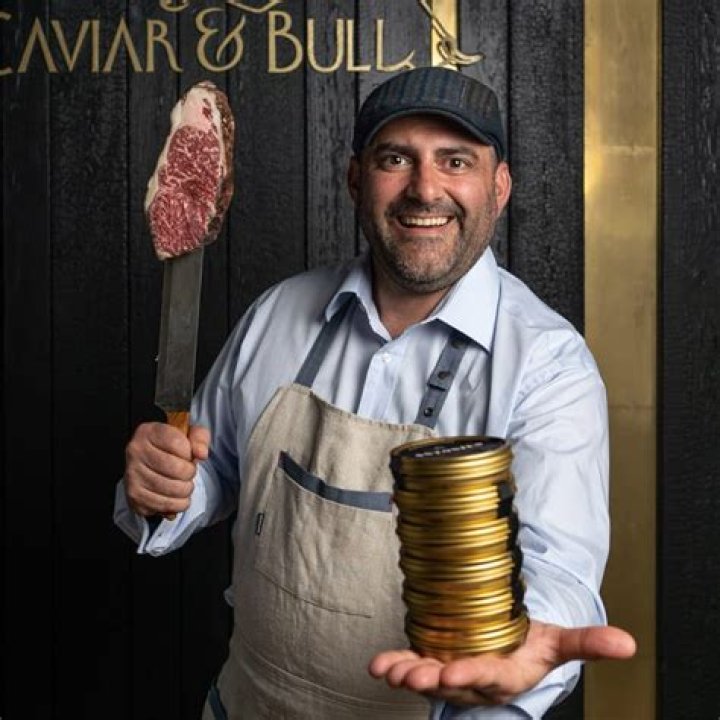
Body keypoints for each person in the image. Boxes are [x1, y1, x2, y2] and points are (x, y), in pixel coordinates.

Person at [115, 66, 635, 719]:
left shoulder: (548, 366)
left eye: (456, 161)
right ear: (356, 179)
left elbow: (559, 570)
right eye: (396, 159)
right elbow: (210, 473)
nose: (426, 189)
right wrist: (163, 487)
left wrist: (521, 649)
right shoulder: (278, 314)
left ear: (498, 187)